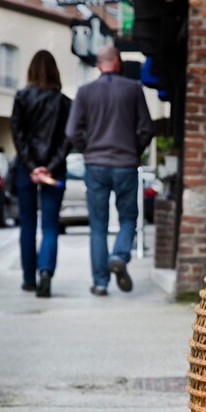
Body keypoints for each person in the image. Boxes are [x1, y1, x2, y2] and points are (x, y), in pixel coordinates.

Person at [65, 46, 155, 296]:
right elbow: (147, 128)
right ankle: (119, 254)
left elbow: (72, 132)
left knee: (98, 226)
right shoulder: (133, 89)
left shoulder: (84, 92)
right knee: (128, 218)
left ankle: (101, 282)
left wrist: (88, 150)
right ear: (116, 61)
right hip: (125, 164)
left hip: (95, 165)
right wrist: (133, 150)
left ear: (98, 64)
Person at [10, 50, 71, 298]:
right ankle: (45, 271)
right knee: (49, 225)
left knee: (27, 224)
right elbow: (68, 141)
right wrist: (50, 167)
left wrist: (32, 166)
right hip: (54, 172)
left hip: (26, 171)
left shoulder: (22, 97)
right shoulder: (65, 102)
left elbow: (18, 134)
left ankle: (29, 279)